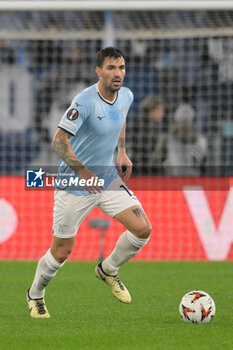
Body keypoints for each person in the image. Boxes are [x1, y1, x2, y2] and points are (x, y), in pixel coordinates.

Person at [26, 47, 152, 318]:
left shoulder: (126, 95)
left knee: (142, 229)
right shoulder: (84, 101)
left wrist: (121, 151)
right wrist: (83, 172)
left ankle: (108, 269)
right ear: (98, 71)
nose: (117, 73)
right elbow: (58, 142)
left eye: (121, 68)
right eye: (111, 68)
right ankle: (35, 294)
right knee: (61, 252)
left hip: (107, 179)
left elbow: (120, 119)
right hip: (74, 184)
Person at [164, 103, 208, 176]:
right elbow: (204, 166)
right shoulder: (202, 140)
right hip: (194, 179)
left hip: (172, 179)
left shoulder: (167, 138)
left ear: (176, 119)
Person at [128, 95, 167, 175]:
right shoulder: (151, 128)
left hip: (134, 170)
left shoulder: (136, 123)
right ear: (153, 110)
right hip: (147, 171)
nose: (162, 114)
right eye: (161, 110)